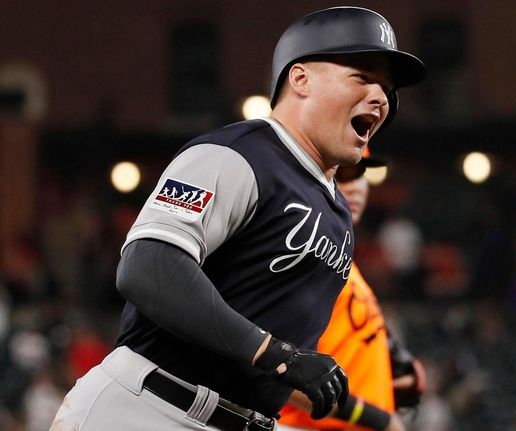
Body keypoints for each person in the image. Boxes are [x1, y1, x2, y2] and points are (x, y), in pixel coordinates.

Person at [49, 6, 425, 431]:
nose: (381, 97)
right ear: (300, 79)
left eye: (388, 88)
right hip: (149, 407)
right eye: (363, 77)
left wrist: (371, 415)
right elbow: (146, 267)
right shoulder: (239, 154)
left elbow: (286, 370)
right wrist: (275, 355)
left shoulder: (337, 216)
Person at [276, 152, 425, 431]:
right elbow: (273, 370)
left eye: (362, 174)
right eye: (343, 173)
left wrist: (387, 366)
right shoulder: (300, 253)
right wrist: (378, 418)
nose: (356, 185)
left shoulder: (340, 258)